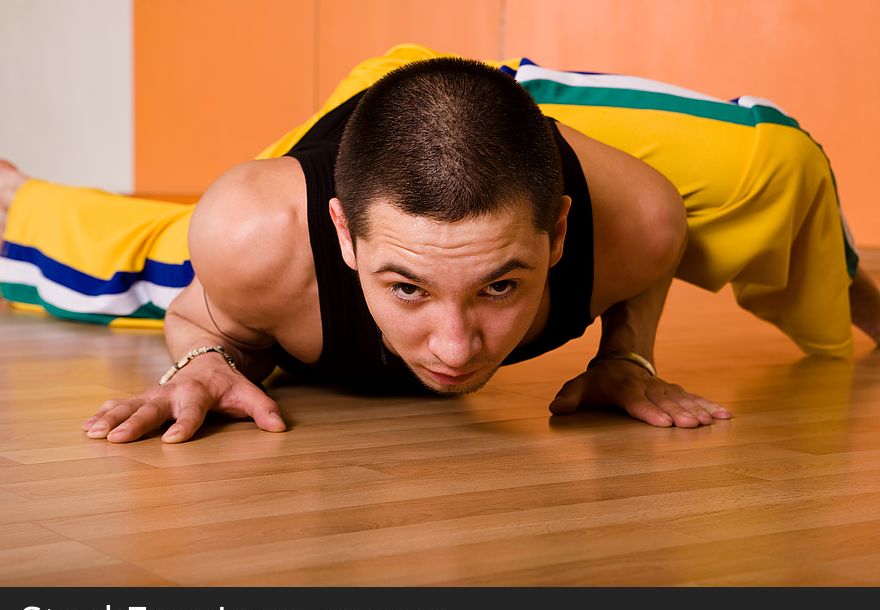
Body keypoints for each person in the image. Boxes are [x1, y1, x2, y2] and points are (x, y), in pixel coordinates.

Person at [1, 44, 876, 444]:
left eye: (501, 286)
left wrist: (629, 356)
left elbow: (646, 240)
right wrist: (201, 356)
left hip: (472, 118)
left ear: (562, 231)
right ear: (344, 238)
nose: (456, 351)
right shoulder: (259, 232)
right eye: (408, 287)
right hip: (323, 183)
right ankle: (17, 200)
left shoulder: (642, 223)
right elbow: (198, 315)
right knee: (150, 264)